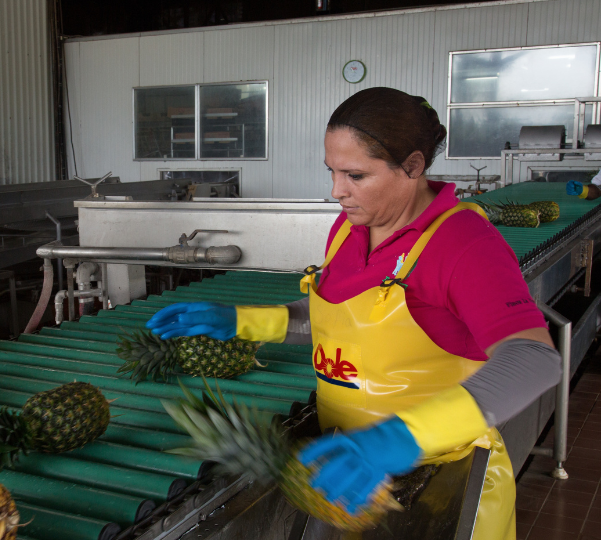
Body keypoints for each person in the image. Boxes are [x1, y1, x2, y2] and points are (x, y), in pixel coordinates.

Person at [147, 87, 561, 539]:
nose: (336, 191)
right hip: (348, 475)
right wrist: (242, 321)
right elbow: (342, 319)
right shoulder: (349, 228)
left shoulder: (463, 244)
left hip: (446, 477)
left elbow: (534, 359)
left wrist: (397, 440)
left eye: (355, 175)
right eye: (332, 171)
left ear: (414, 166)